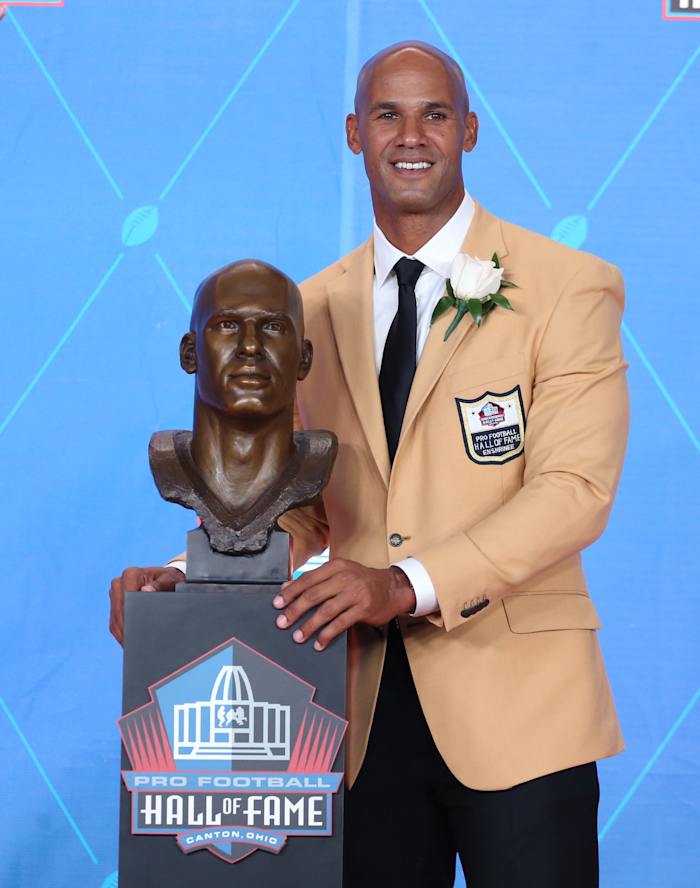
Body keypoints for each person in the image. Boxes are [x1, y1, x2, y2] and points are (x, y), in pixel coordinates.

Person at [110, 41, 629, 887]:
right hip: (351, 708)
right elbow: (301, 507)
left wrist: (402, 584)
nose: (410, 135)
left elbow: (575, 492)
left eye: (434, 114)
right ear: (356, 134)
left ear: (469, 130)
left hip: (524, 710)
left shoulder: (567, 287)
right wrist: (191, 580)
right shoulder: (308, 309)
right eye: (388, 114)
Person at [148, 258, 336, 555]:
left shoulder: (316, 463)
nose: (250, 346)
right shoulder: (168, 458)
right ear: (189, 354)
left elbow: (300, 525)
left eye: (273, 327)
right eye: (227, 325)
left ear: (304, 359)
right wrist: (182, 572)